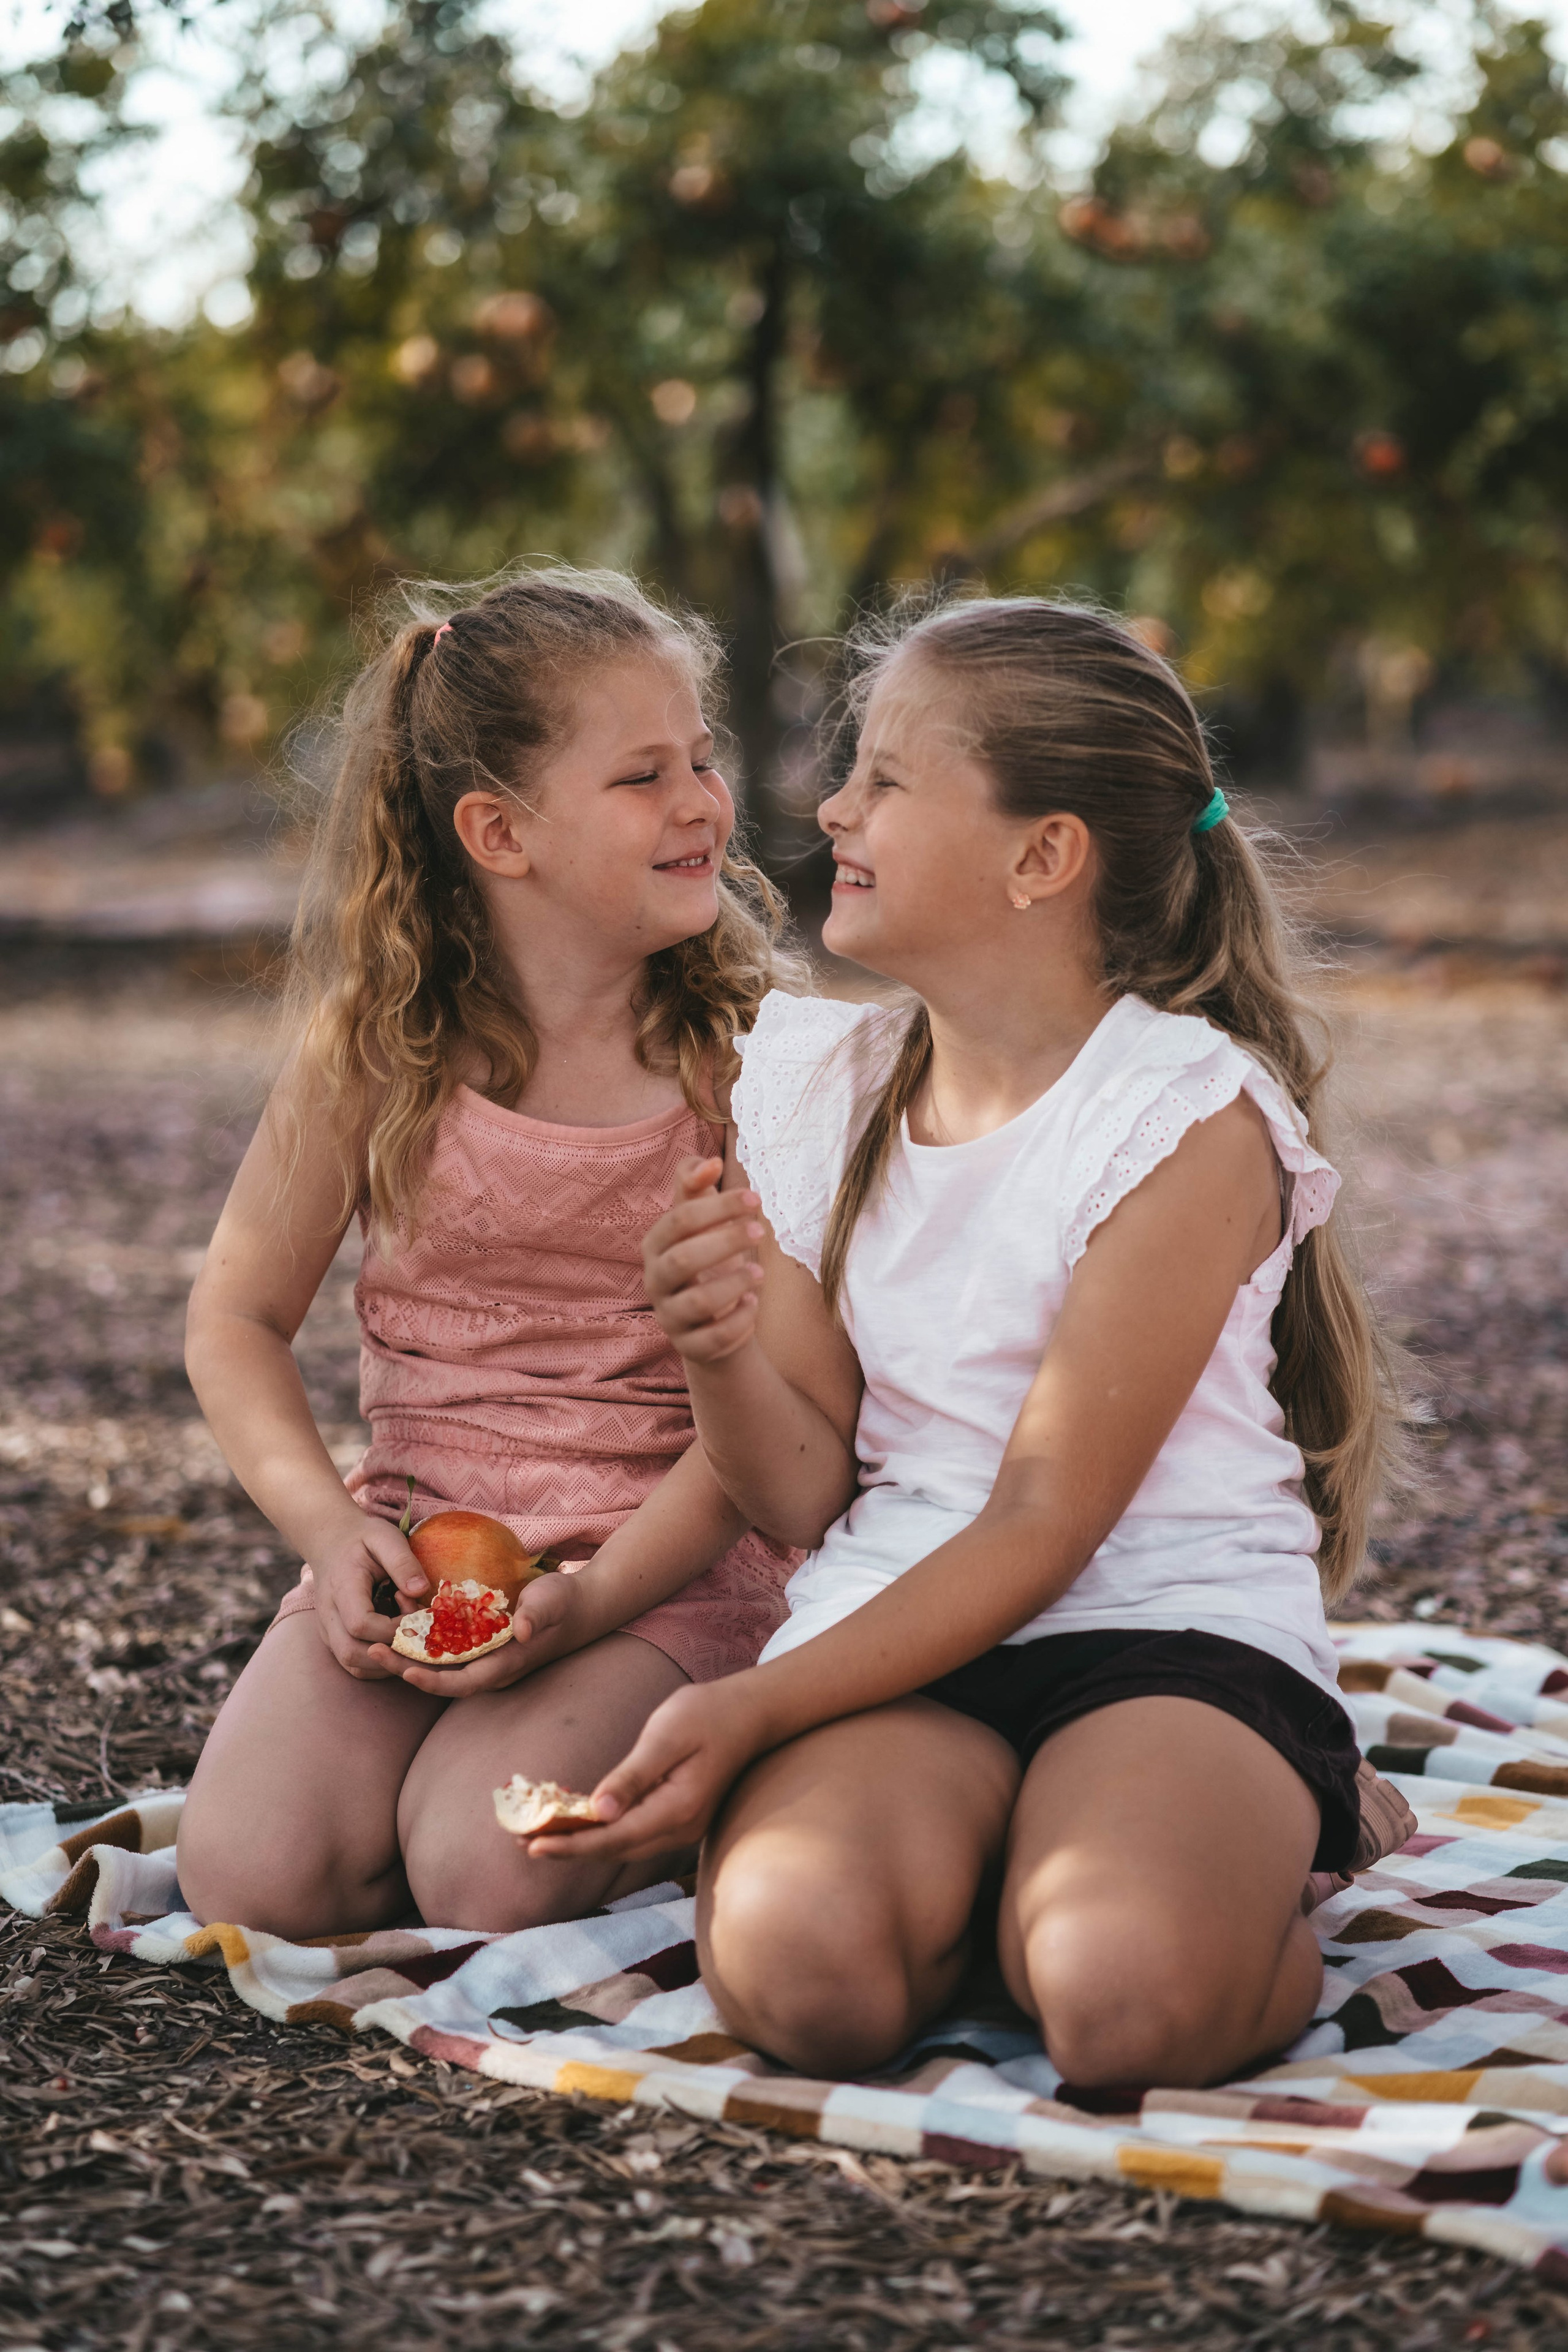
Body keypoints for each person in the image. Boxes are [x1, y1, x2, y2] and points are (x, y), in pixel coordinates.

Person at [529, 594, 1403, 2092]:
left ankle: (1276, 1846)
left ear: (1040, 856)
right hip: (897, 1625)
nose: (830, 806)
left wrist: (749, 1709)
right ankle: (1014, 1854)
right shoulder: (822, 1083)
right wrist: (714, 1342)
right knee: (802, 1988)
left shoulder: (1176, 1114)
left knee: (1123, 2013)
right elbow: (805, 1496)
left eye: (884, 777)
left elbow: (1044, 1517)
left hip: (1162, 1633)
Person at [175, 567, 802, 1940]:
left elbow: (777, 1415)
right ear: (497, 834)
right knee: (252, 1883)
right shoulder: (373, 1051)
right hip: (420, 1549)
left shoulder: (746, 1060)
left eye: (702, 758)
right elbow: (233, 1320)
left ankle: (742, 1762)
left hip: (663, 1569)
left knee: (484, 1871)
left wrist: (593, 1603)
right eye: (644, 775)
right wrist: (330, 1535)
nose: (702, 801)